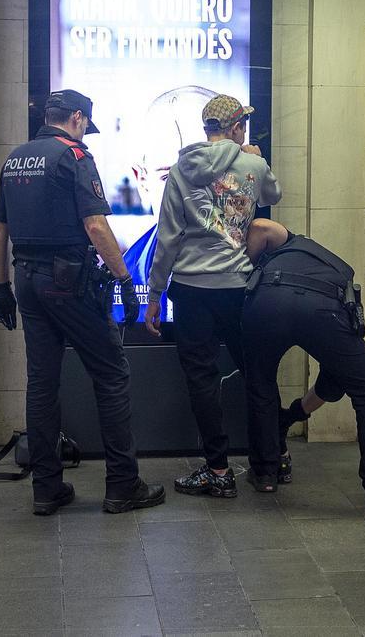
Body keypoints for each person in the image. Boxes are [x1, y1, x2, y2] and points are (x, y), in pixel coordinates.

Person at [0, 89, 165, 516]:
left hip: (26, 280)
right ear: (77, 119)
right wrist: (124, 277)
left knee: (42, 383)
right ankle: (123, 485)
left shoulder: (15, 158)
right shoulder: (74, 156)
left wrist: (1, 287)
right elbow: (96, 226)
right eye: (86, 123)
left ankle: (47, 489)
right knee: (110, 373)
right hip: (68, 281)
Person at [145, 93, 281, 498]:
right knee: (257, 373)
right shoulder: (253, 163)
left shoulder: (183, 169)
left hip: (190, 290)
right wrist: (254, 158)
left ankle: (219, 470)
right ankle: (270, 466)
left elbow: (168, 237)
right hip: (238, 288)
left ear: (208, 130)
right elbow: (273, 196)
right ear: (237, 128)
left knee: (202, 380)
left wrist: (155, 294)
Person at [239, 218, 365, 518]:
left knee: (260, 384)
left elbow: (260, 227)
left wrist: (250, 264)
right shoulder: (329, 263)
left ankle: (266, 474)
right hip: (324, 307)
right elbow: (338, 378)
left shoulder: (283, 244)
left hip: (266, 303)